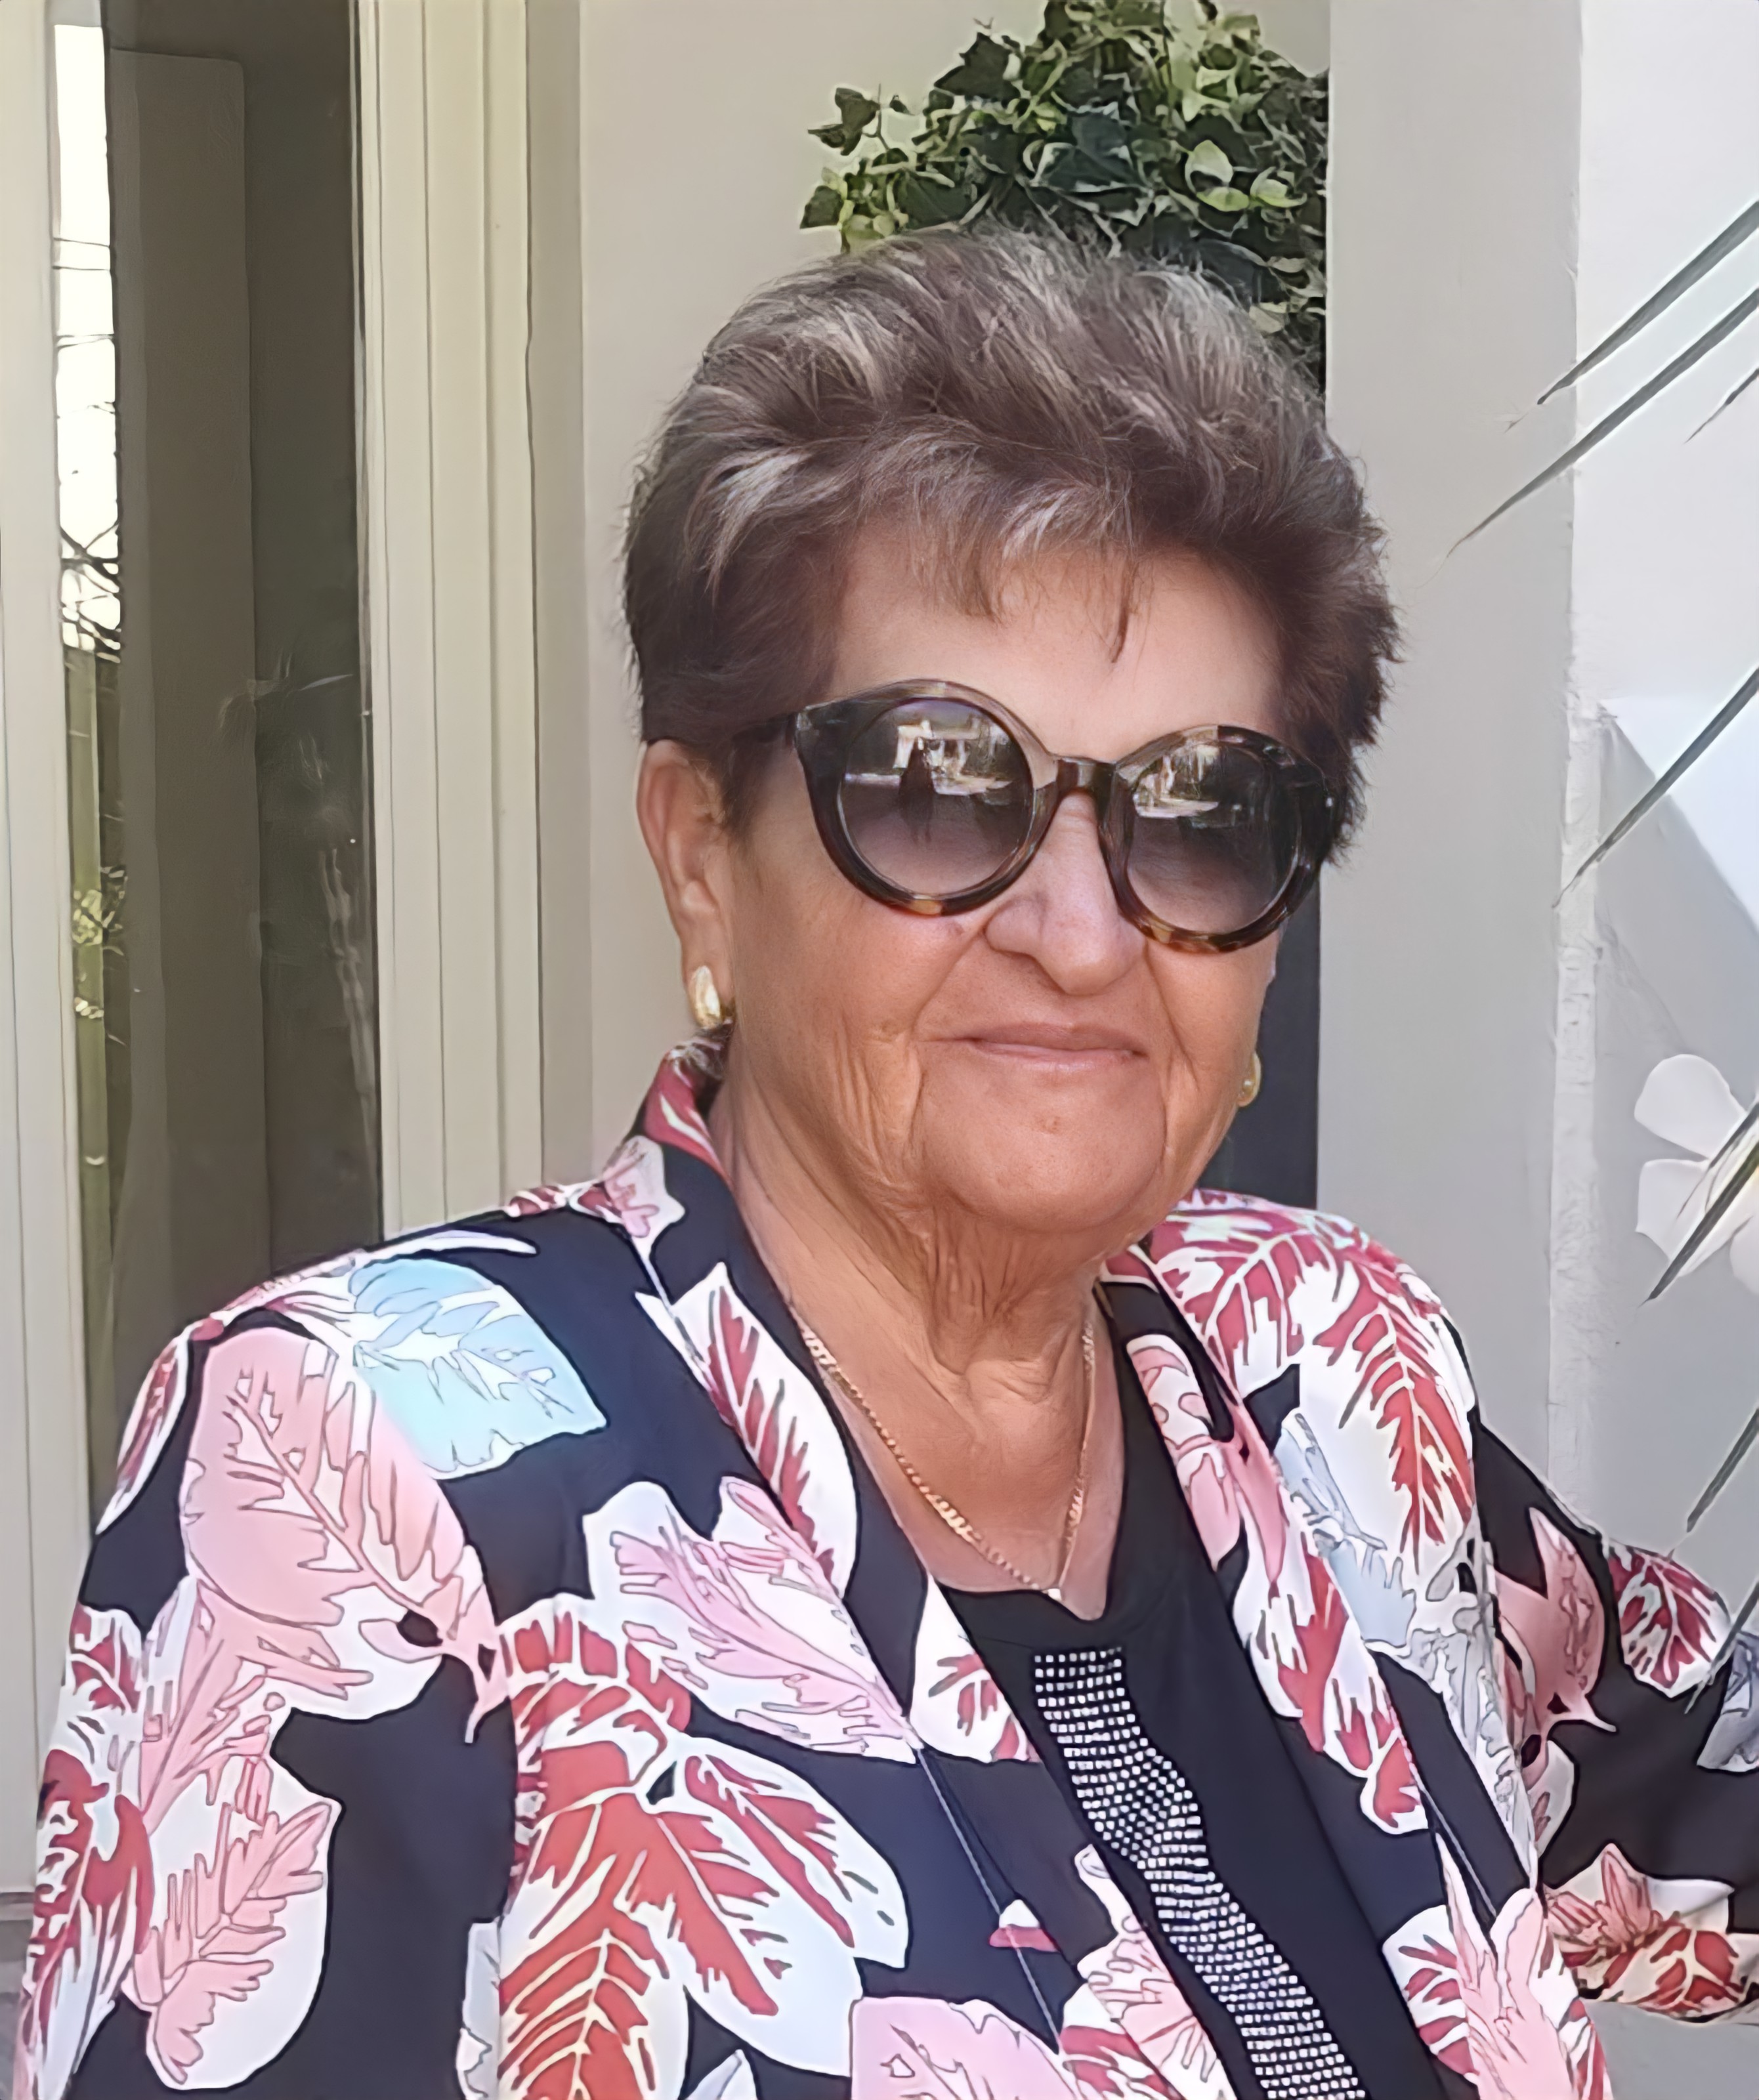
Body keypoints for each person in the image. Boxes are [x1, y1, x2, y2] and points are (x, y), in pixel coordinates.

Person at [12, 230, 1756, 2100]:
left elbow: (1697, 1810)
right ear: (702, 854)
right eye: (936, 788)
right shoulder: (370, 1468)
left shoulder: (1324, 1354)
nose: (1081, 934)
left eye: (1200, 812)